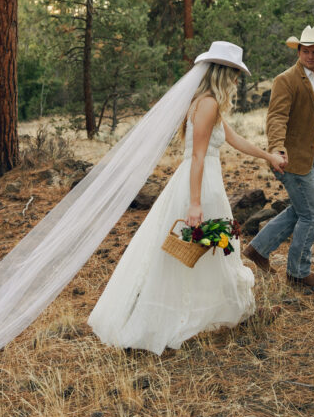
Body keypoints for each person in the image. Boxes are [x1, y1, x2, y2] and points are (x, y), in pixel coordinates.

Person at [88, 41, 287, 354]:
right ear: (223, 73)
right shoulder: (207, 103)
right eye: (234, 73)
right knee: (207, 246)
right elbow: (196, 156)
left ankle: (227, 314)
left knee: (211, 249)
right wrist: (195, 204)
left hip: (203, 180)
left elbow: (234, 139)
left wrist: (268, 156)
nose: (237, 80)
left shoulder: (208, 102)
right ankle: (196, 318)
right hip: (201, 182)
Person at [243, 25, 314, 290]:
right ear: (298, 51)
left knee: (300, 209)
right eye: (305, 51)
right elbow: (276, 117)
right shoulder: (286, 79)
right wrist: (277, 148)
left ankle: (258, 249)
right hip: (288, 159)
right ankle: (298, 273)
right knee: (313, 215)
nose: (309, 56)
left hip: (306, 158)